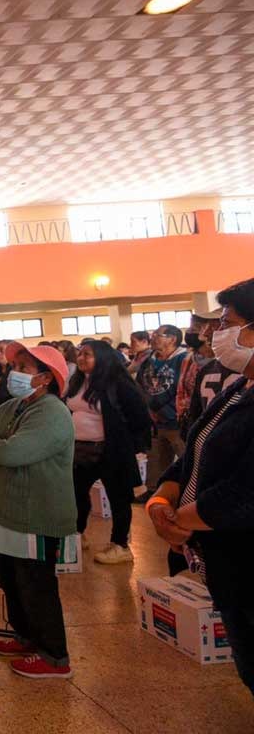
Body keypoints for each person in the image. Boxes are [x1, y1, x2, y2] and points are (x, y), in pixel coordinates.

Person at [147, 277, 254, 697]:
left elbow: (244, 494)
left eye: (227, 323)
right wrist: (161, 500)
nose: (213, 333)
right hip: (226, 559)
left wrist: (180, 523)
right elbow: (195, 455)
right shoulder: (237, 388)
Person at [0, 342, 76, 679]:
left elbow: (9, 452)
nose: (13, 373)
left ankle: (54, 655)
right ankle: (26, 636)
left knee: (36, 583)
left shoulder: (52, 413)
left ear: (45, 378)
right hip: (8, 510)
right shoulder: (13, 406)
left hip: (37, 512)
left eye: (23, 368)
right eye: (14, 366)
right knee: (11, 578)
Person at [66, 341, 150, 564]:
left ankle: (120, 545)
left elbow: (140, 417)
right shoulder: (77, 381)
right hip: (80, 449)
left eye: (88, 355)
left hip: (111, 451)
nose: (81, 358)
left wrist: (130, 445)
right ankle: (78, 533)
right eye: (80, 354)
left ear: (102, 357)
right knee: (76, 493)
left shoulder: (118, 383)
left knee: (118, 498)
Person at [136, 324, 188, 498]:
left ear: (172, 339)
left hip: (176, 420)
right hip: (153, 420)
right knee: (156, 458)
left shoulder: (183, 359)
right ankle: (154, 491)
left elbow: (184, 387)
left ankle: (187, 493)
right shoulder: (149, 360)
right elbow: (139, 386)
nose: (152, 337)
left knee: (184, 457)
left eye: (158, 334)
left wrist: (165, 410)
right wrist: (147, 409)